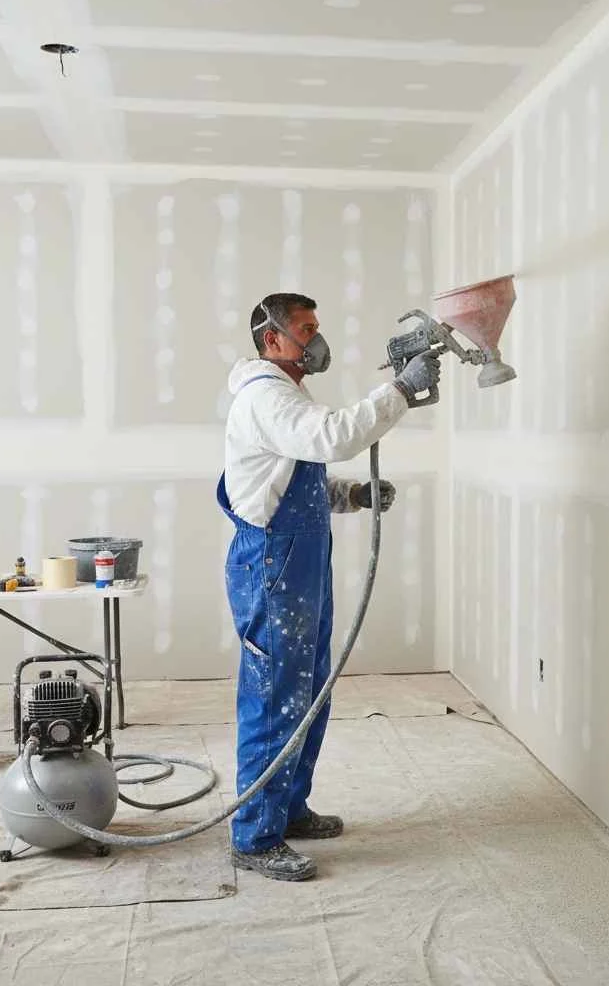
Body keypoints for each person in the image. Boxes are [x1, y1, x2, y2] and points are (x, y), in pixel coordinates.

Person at [216, 291, 440, 882]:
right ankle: (254, 836)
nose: (317, 341)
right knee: (275, 697)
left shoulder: (287, 395)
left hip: (301, 563)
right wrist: (398, 391)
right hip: (273, 564)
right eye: (306, 330)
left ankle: (287, 809)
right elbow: (332, 437)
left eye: (317, 328)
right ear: (272, 339)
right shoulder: (265, 395)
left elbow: (292, 478)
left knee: (308, 688)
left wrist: (355, 495)